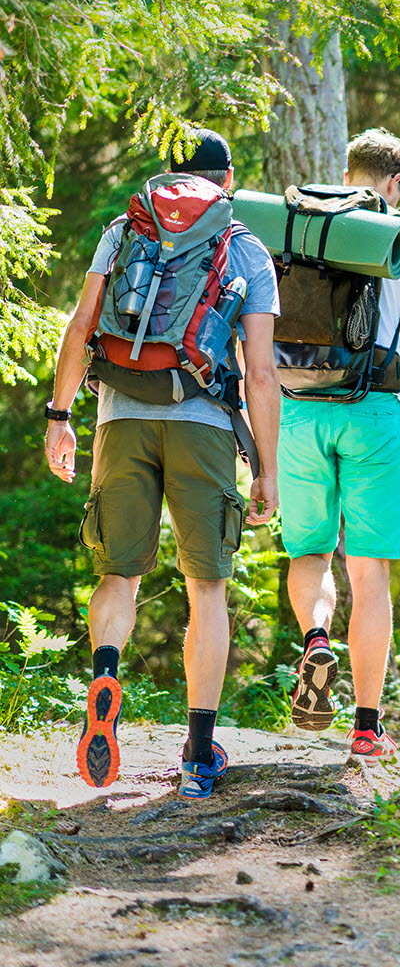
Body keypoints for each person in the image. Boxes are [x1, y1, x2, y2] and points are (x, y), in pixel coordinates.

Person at [45, 128, 281, 798]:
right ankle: (200, 752)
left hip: (120, 417)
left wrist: (60, 418)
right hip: (202, 423)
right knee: (206, 587)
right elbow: (261, 373)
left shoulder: (127, 229)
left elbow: (82, 322)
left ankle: (106, 673)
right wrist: (266, 466)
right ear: (228, 178)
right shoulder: (245, 247)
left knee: (119, 572)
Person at [280, 128, 400, 758]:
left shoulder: (302, 224)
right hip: (374, 409)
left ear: (349, 172)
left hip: (298, 411)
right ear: (396, 184)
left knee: (310, 554)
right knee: (368, 571)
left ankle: (317, 640)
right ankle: (367, 726)